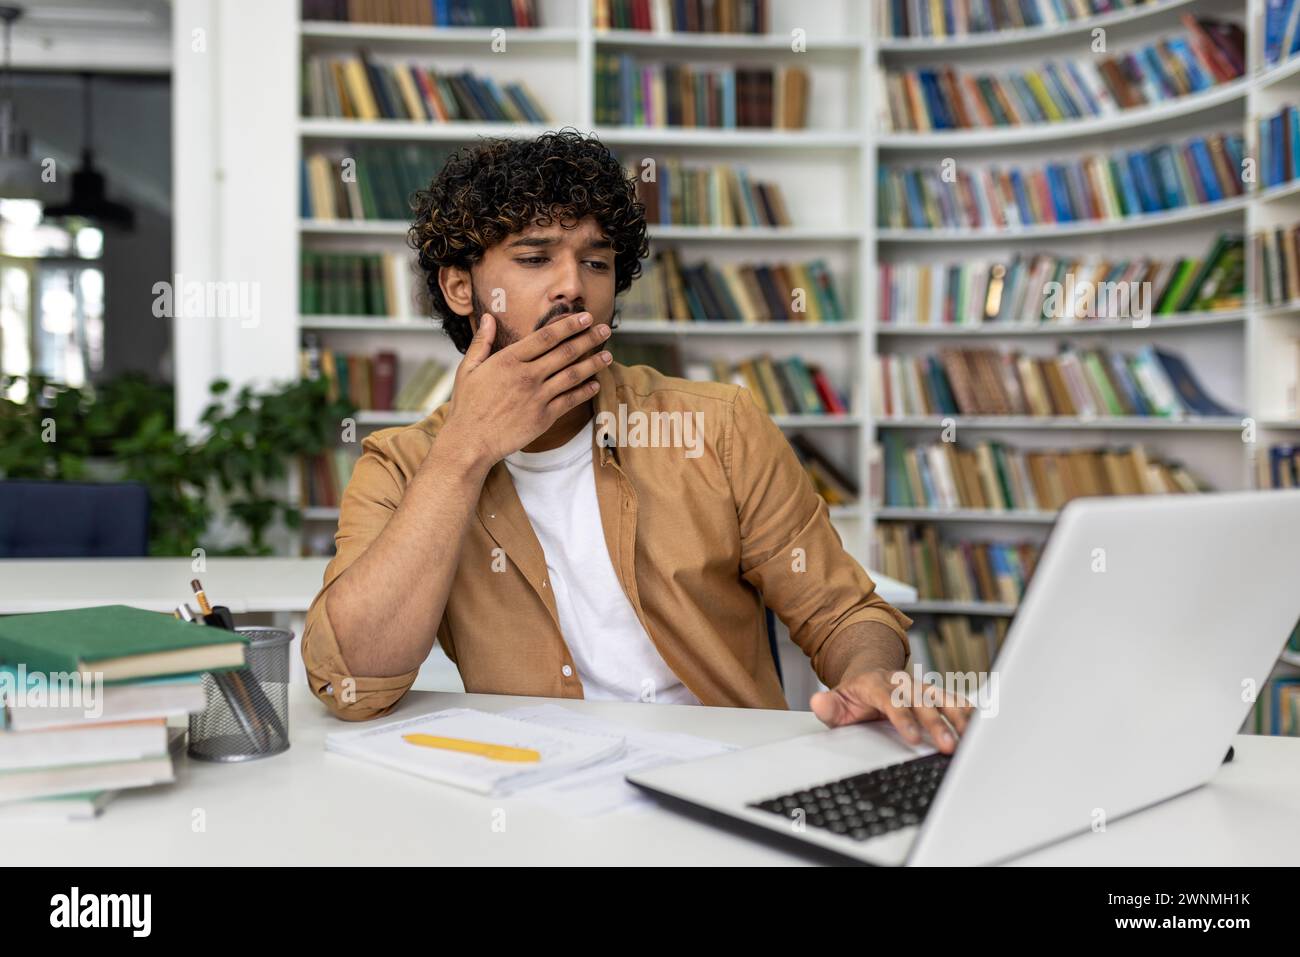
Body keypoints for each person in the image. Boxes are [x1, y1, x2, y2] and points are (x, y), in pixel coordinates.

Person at [301, 129, 972, 751]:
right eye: (536, 257)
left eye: (595, 261)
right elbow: (353, 681)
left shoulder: (719, 427)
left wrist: (870, 672)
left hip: (724, 785)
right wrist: (464, 449)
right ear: (459, 287)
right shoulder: (402, 465)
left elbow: (841, 611)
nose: (573, 286)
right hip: (540, 804)